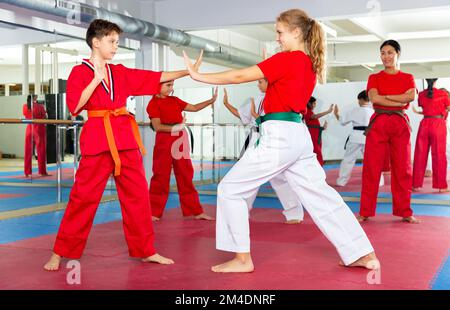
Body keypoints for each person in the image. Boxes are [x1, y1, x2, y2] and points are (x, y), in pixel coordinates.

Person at [183, 8, 379, 273]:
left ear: (296, 32)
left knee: (230, 189)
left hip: (280, 137)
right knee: (321, 195)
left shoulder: (289, 58)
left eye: (280, 32)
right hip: (297, 135)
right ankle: (361, 253)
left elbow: (240, 76)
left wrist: (199, 76)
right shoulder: (308, 63)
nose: (277, 38)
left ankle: (242, 259)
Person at [44, 19, 202, 271]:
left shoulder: (119, 72)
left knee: (138, 197)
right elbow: (75, 107)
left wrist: (187, 72)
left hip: (125, 141)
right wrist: (95, 80)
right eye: (112, 41)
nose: (116, 46)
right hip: (98, 140)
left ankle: (146, 250)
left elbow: (154, 77)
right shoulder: (79, 72)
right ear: (96, 42)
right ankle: (60, 251)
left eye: (117, 42)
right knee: (83, 199)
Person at [223, 81, 304, 224]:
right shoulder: (255, 98)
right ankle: (241, 211)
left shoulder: (282, 97)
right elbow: (244, 116)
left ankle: (294, 213)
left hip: (275, 137)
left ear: (270, 82)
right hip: (256, 137)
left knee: (280, 177)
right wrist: (226, 104)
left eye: (260, 82)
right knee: (248, 175)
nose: (258, 85)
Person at [358, 40, 419, 224]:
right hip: (379, 122)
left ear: (398, 54)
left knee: (403, 168)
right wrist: (398, 100)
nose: (386, 57)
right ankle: (365, 211)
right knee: (371, 167)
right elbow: (375, 98)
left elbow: (411, 97)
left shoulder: (408, 76)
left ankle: (405, 211)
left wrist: (387, 97)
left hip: (400, 123)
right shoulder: (374, 77)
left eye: (390, 52)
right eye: (383, 53)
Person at [147, 80, 216, 221]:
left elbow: (195, 108)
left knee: (186, 174)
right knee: (161, 175)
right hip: (164, 139)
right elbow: (157, 126)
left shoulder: (175, 100)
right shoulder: (153, 103)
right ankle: (153, 212)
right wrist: (175, 128)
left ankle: (196, 211)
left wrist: (211, 100)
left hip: (180, 138)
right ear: (157, 86)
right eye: (168, 85)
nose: (171, 88)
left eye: (172, 85)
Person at [334, 91, 385, 187]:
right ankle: (379, 182)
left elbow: (342, 121)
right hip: (369, 137)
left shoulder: (354, 111)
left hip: (355, 137)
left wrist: (336, 114)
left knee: (348, 160)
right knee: (373, 160)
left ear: (361, 99)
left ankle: (341, 181)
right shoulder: (374, 111)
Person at [412, 78, 450, 192]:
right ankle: (441, 186)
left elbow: (426, 108)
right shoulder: (443, 94)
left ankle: (415, 185)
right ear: (436, 81)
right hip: (438, 124)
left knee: (420, 154)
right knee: (439, 155)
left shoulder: (422, 94)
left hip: (424, 124)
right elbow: (447, 108)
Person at [23, 94, 49, 177]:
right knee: (41, 151)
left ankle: (27, 172)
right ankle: (42, 171)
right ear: (35, 97)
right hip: (39, 129)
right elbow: (45, 117)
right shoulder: (40, 106)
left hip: (29, 128)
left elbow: (26, 116)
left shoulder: (25, 106)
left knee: (28, 151)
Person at [304, 96, 333, 166]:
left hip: (316, 132)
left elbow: (313, 122)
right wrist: (328, 111)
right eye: (314, 103)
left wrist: (322, 127)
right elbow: (314, 117)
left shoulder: (310, 111)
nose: (315, 105)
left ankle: (318, 165)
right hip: (313, 133)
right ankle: (319, 165)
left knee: (318, 149)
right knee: (316, 150)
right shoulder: (307, 111)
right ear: (309, 103)